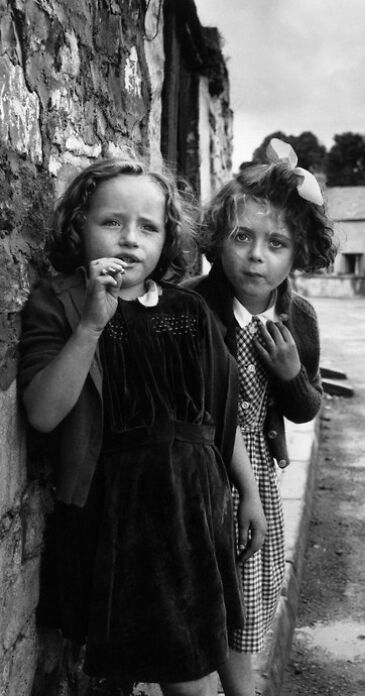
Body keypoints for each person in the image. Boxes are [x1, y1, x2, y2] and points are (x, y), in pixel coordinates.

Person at [18, 157, 267, 696]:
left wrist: (247, 492)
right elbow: (42, 413)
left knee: (213, 638)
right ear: (79, 225)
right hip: (122, 518)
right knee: (184, 672)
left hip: (196, 506)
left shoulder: (189, 309)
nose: (130, 239)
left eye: (148, 227)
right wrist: (91, 325)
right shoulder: (60, 303)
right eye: (111, 223)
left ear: (168, 238)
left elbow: (220, 416)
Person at [186, 138, 336, 696]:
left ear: (298, 254)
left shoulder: (299, 318)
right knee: (198, 597)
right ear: (218, 240)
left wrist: (291, 372)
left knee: (246, 599)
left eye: (277, 243)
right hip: (197, 479)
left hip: (258, 485)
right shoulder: (192, 306)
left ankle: (240, 686)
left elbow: (306, 409)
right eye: (242, 237)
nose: (256, 256)